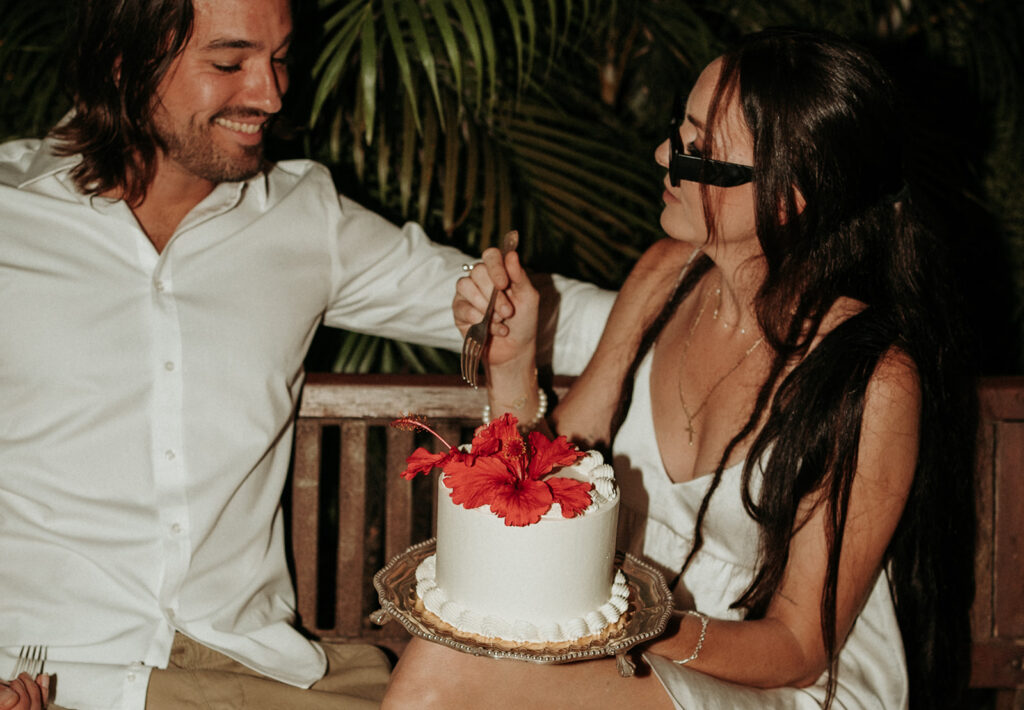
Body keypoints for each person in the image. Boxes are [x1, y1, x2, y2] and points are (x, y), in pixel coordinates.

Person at [0, 0, 615, 708]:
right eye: (229, 63)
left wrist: (713, 294)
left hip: (254, 668)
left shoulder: (303, 218)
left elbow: (548, 317)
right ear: (123, 65)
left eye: (281, 59)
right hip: (50, 672)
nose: (270, 94)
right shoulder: (12, 218)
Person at [383, 28, 976, 710]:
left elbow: (797, 645)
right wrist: (512, 365)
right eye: (679, 130)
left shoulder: (871, 380)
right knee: (446, 657)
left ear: (789, 198)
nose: (665, 155)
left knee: (456, 672)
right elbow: (551, 481)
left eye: (700, 153)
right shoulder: (667, 274)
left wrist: (629, 626)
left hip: (786, 680)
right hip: (622, 639)